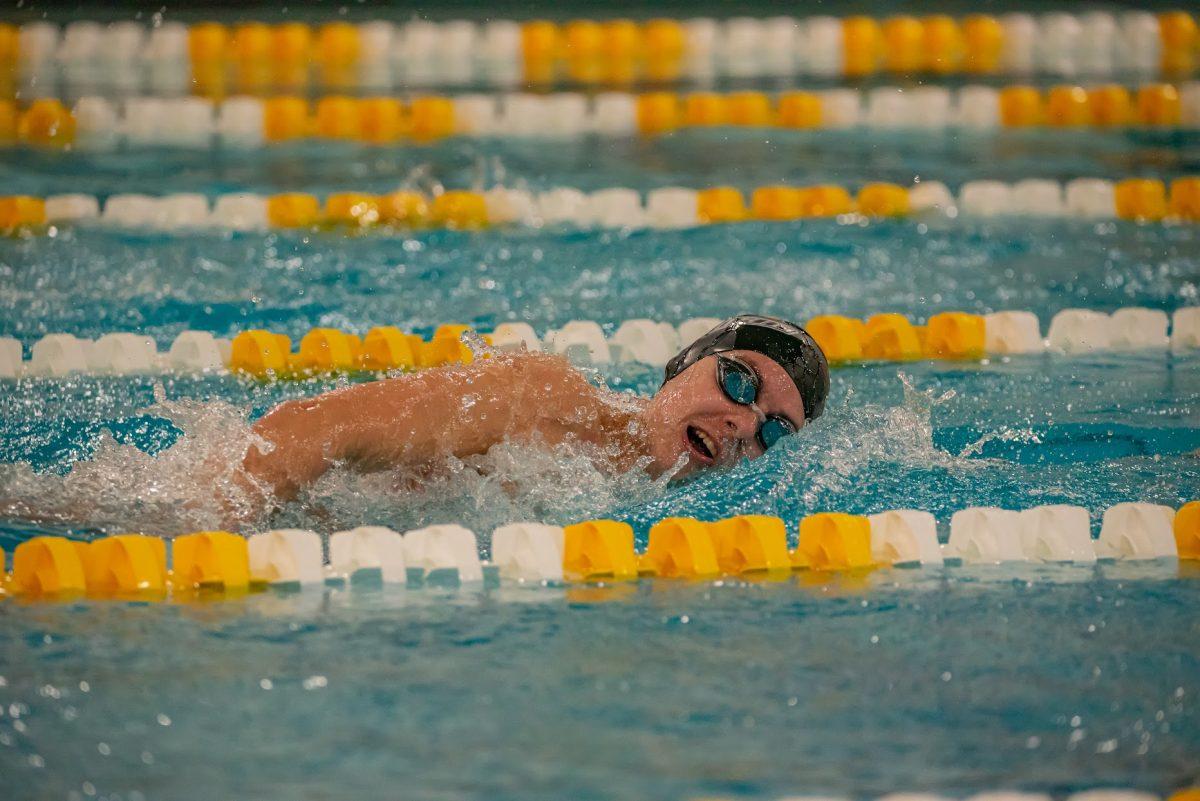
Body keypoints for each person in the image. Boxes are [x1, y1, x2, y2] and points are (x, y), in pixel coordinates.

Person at [238, 314, 829, 509]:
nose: (742, 425)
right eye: (739, 382)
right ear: (683, 363)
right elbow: (303, 430)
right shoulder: (540, 401)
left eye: (772, 431)